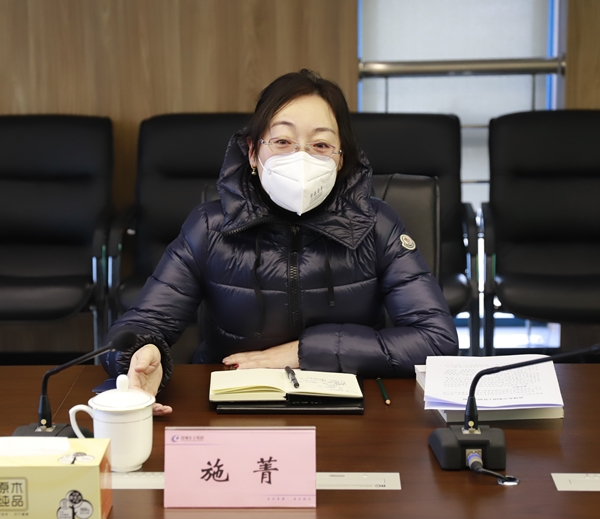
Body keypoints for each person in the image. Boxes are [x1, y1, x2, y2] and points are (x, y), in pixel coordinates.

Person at [102, 69, 458, 415]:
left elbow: (436, 341)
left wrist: (303, 352)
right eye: (283, 141)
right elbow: (138, 327)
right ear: (253, 152)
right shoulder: (210, 228)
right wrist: (139, 356)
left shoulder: (378, 225)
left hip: (351, 409)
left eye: (321, 145)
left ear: (341, 159)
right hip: (232, 406)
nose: (301, 159)